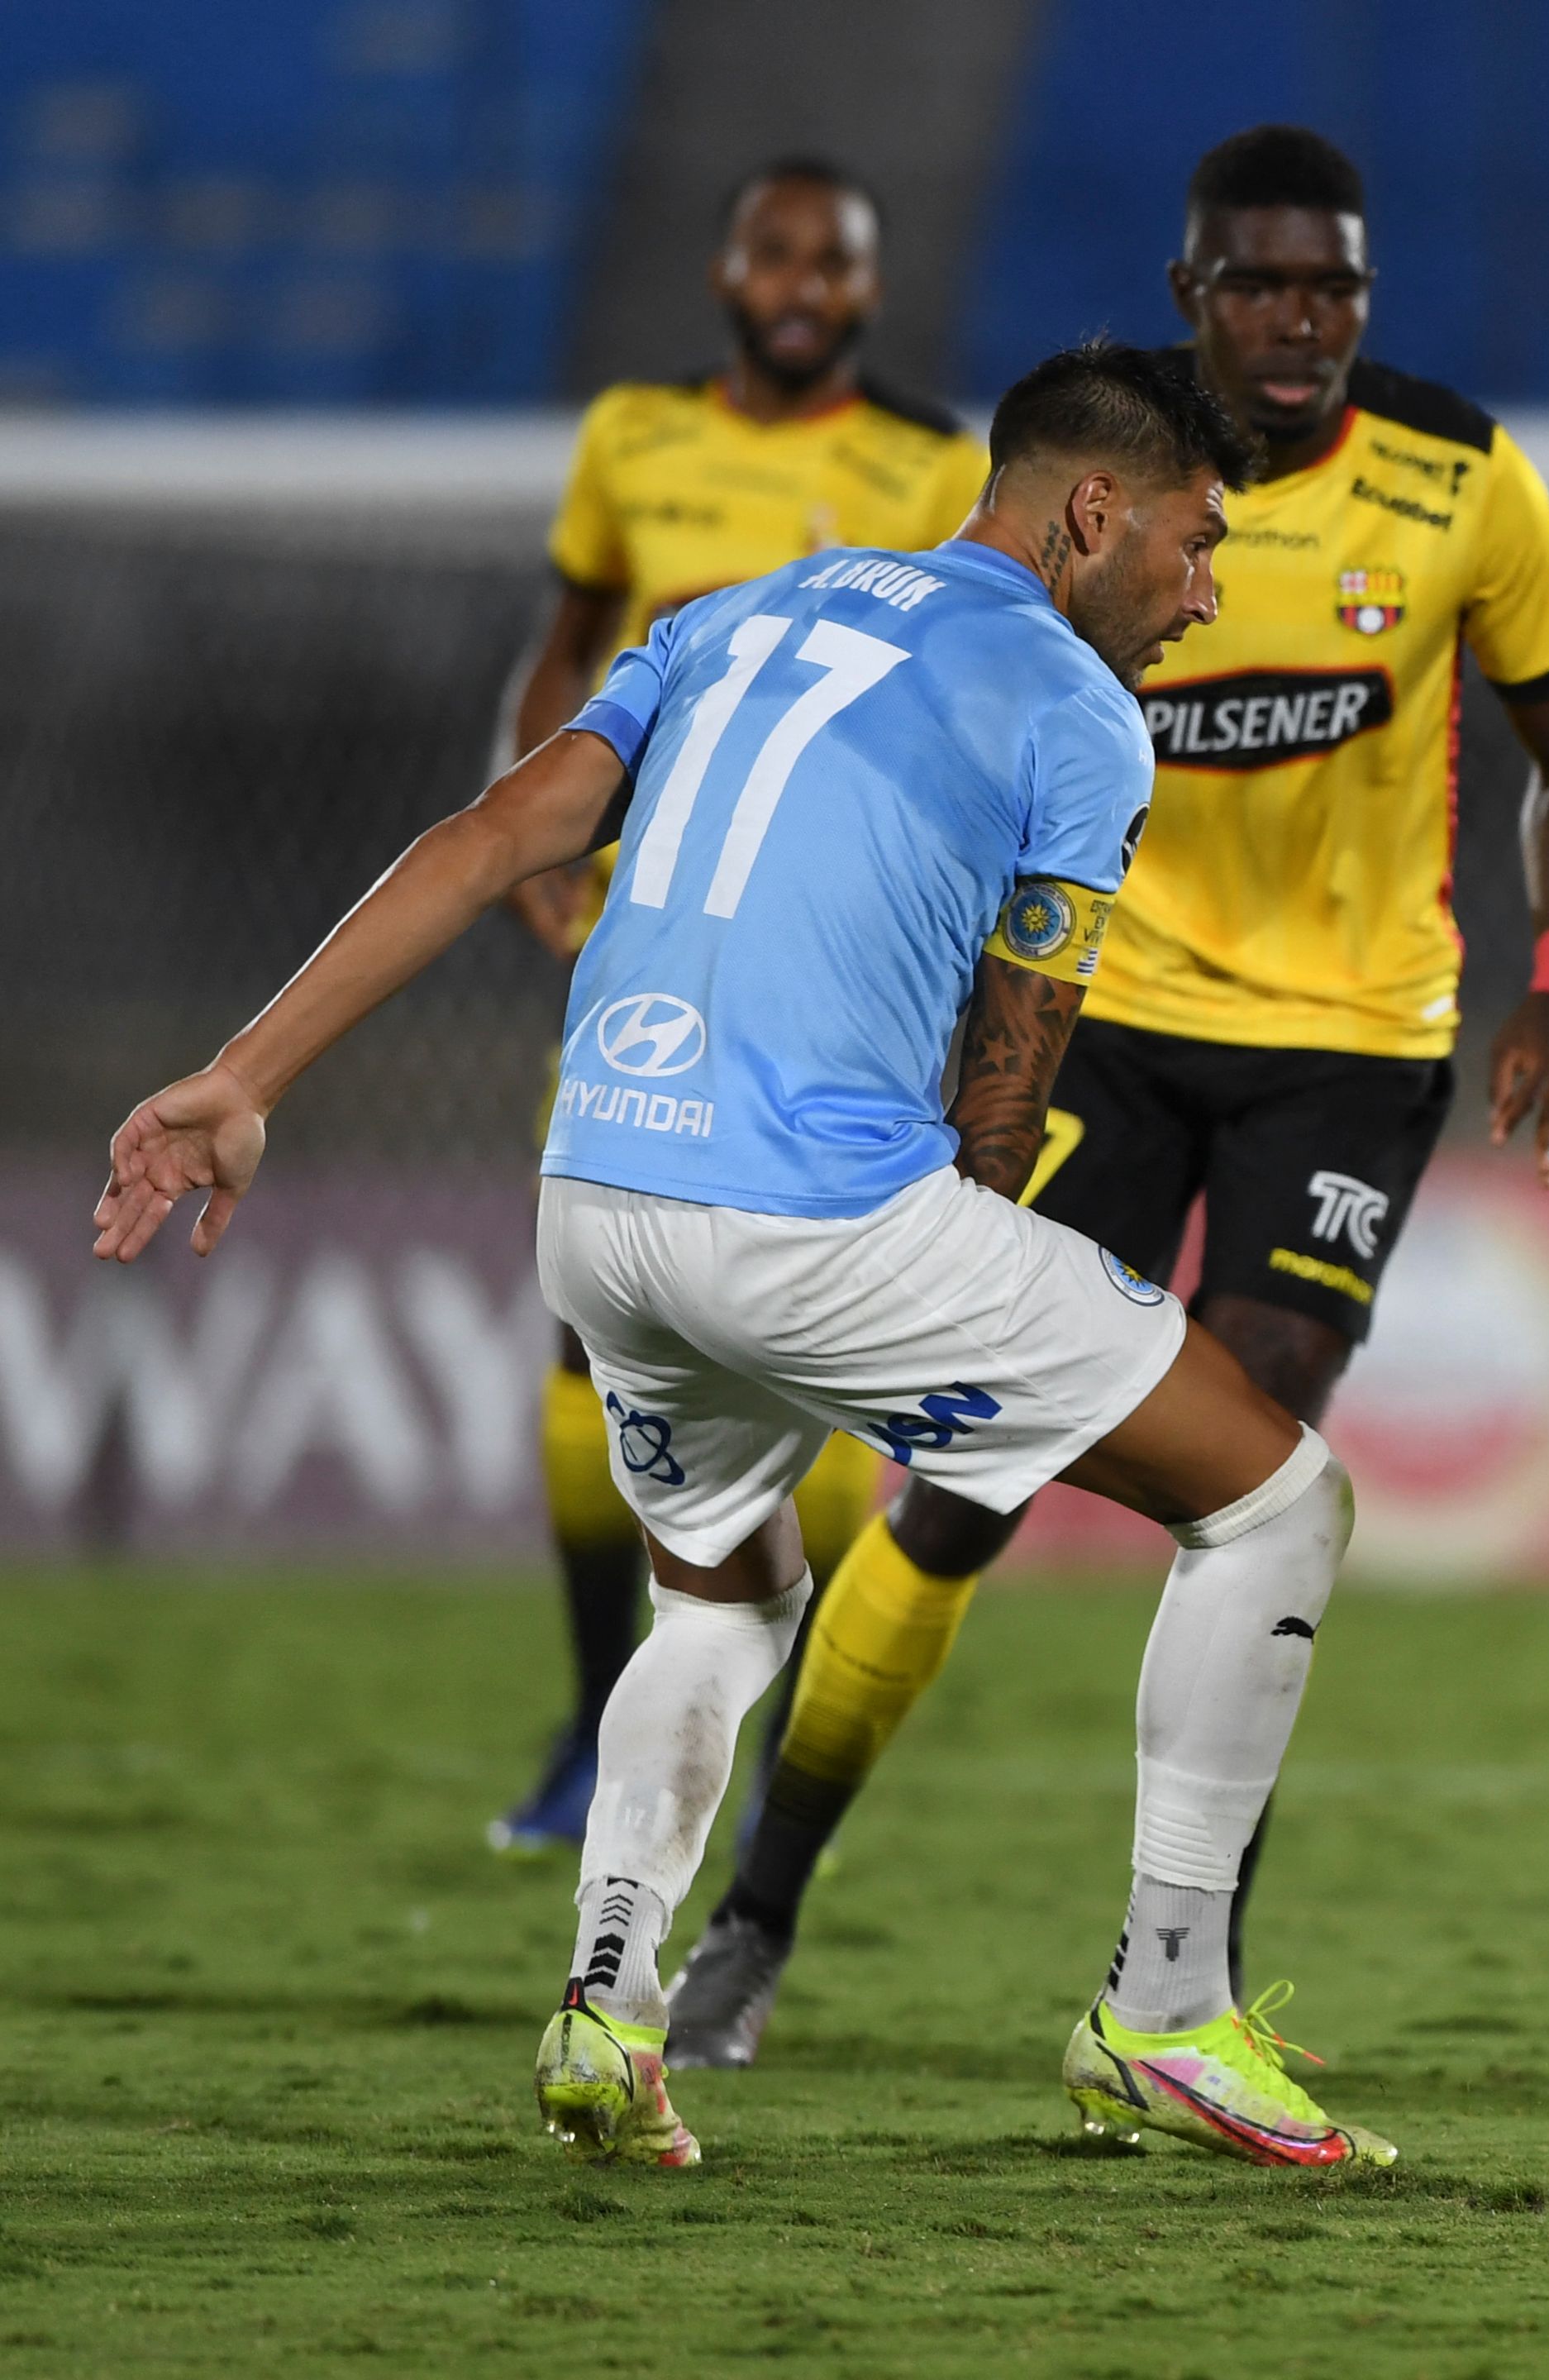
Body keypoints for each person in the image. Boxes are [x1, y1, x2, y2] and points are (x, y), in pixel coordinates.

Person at [97, 341, 1398, 2173]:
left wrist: (243, 1077)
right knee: (1276, 1502)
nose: (1202, 591)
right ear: (1092, 509)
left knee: (718, 1599)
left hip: (597, 1205)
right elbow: (1009, 1094)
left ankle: (608, 2014)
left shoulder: (727, 615)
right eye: (1192, 542)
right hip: (817, 1221)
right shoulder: (1080, 709)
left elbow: (486, 840)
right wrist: (946, 1317)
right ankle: (1167, 2016)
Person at [660, 122, 1549, 2068]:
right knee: (951, 1494)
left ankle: (1181, 1988)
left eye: (1332, 286)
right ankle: (754, 1919)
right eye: (1259, 284)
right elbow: (918, 751)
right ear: (1191, 298)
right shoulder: (1081, 496)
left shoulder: (1462, 482)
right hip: (1104, 1029)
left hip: (1351, 1051)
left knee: (1252, 1479)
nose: (1300, 321)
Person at [487, 156, 991, 1857]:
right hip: (645, 946)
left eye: (832, 262)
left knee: (820, 1323)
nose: (799, 283)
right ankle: (581, 1723)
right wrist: (536, 821)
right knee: (590, 1336)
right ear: (723, 267)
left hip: (838, 955)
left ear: (866, 288)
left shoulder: (929, 467)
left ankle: (782, 1745)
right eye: (773, 251)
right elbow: (565, 649)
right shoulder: (631, 436)